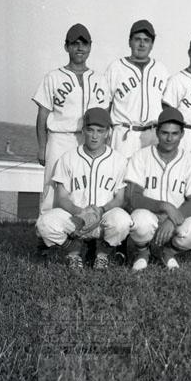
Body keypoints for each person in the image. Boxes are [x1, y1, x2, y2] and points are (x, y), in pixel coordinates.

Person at [35, 108, 131, 270]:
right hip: (76, 218)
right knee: (44, 223)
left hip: (103, 217)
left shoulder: (119, 160)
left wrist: (100, 211)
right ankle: (73, 251)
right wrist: (80, 213)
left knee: (123, 221)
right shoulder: (68, 158)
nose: (94, 136)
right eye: (90, 130)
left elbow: (120, 198)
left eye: (100, 131)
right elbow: (62, 197)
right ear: (83, 130)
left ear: (108, 133)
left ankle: (102, 254)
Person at [33, 23, 109, 211]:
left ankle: (84, 225)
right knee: (53, 186)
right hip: (59, 139)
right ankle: (47, 227)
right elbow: (42, 115)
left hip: (89, 139)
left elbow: (106, 116)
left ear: (90, 47)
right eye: (75, 43)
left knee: (84, 186)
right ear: (66, 47)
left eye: (84, 43)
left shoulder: (100, 79)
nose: (80, 48)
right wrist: (42, 147)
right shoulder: (53, 77)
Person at [124, 107, 191, 271]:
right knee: (140, 220)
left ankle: (168, 252)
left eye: (174, 133)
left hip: (176, 218)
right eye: (165, 133)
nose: (169, 138)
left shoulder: (190, 162)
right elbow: (134, 197)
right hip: (149, 215)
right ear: (156, 132)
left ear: (182, 134)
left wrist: (172, 219)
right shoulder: (141, 156)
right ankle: (143, 252)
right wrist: (164, 206)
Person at [105, 19, 170, 158]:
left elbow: (167, 108)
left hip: (152, 135)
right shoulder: (115, 68)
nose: (142, 44)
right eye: (137, 39)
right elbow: (105, 106)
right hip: (124, 136)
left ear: (152, 44)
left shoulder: (161, 69)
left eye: (146, 40)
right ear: (129, 42)